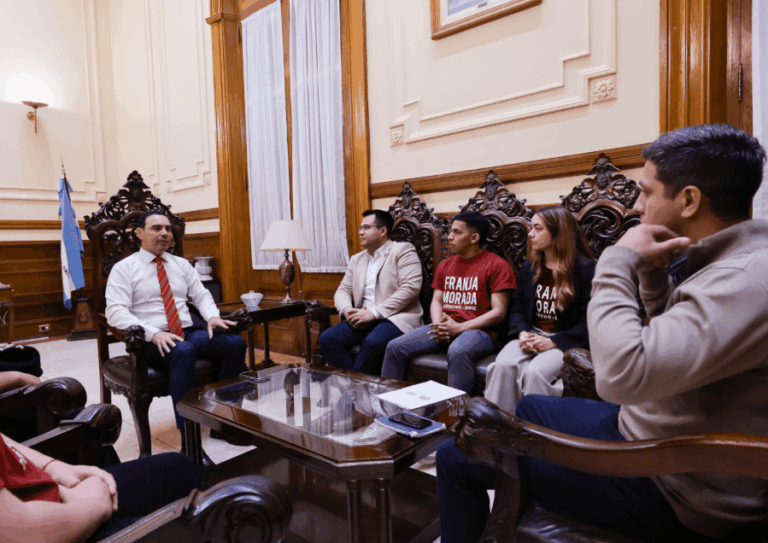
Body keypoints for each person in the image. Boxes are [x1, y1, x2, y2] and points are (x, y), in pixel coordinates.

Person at [435, 124, 768, 542]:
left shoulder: (747, 279)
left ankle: (512, 499)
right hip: (654, 432)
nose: (637, 204)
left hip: (674, 487)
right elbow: (676, 343)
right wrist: (651, 276)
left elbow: (619, 379)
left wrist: (619, 259)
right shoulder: (733, 261)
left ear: (688, 200)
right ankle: (515, 507)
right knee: (532, 405)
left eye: (647, 191)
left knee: (456, 454)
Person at [105, 210, 248, 461]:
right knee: (184, 351)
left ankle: (223, 424)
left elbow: (201, 295)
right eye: (156, 228)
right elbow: (115, 312)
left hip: (187, 331)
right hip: (150, 340)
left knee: (235, 343)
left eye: (168, 229)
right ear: (139, 234)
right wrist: (153, 333)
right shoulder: (124, 269)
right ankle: (190, 444)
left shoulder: (181, 264)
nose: (164, 233)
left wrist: (212, 315)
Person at [381, 212, 516, 394]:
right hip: (445, 326)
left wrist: (460, 328)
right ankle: (391, 408)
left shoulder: (497, 265)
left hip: (479, 331)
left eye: (456, 232)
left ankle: (455, 416)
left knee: (458, 351)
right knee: (395, 347)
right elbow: (437, 300)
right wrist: (437, 324)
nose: (449, 237)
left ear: (474, 238)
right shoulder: (446, 265)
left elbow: (499, 312)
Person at [484, 206, 595, 413]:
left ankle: (534, 432)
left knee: (536, 372)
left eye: (537, 228)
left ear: (558, 232)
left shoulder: (584, 269)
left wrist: (553, 341)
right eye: (530, 228)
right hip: (530, 337)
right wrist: (522, 332)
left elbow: (589, 320)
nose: (530, 234)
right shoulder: (529, 267)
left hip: (562, 342)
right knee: (501, 367)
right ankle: (497, 427)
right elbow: (516, 308)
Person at [0, 431, 200, 542]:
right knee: (208, 522)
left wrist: (53, 467)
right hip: (47, 527)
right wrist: (94, 504)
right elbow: (25, 536)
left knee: (179, 468)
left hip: (38, 493)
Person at [318, 209, 423, 375]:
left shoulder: (402, 250)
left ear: (382, 231)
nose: (360, 232)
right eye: (360, 228)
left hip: (395, 317)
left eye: (366, 227)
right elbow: (343, 290)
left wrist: (375, 313)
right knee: (327, 339)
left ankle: (355, 395)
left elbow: (410, 288)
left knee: (373, 343)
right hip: (362, 317)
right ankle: (357, 392)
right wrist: (347, 310)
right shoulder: (357, 259)